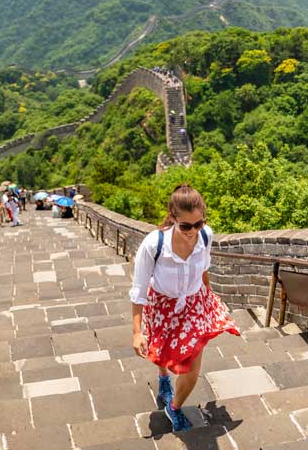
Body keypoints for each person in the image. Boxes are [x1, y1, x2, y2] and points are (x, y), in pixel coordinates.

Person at [129, 184, 240, 432]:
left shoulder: (205, 235)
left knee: (191, 366)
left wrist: (209, 298)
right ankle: (163, 378)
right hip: (161, 305)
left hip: (194, 305)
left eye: (198, 224)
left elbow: (204, 270)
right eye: (186, 226)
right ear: (172, 219)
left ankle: (174, 407)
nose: (193, 231)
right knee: (162, 351)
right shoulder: (153, 245)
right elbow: (138, 290)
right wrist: (137, 333)